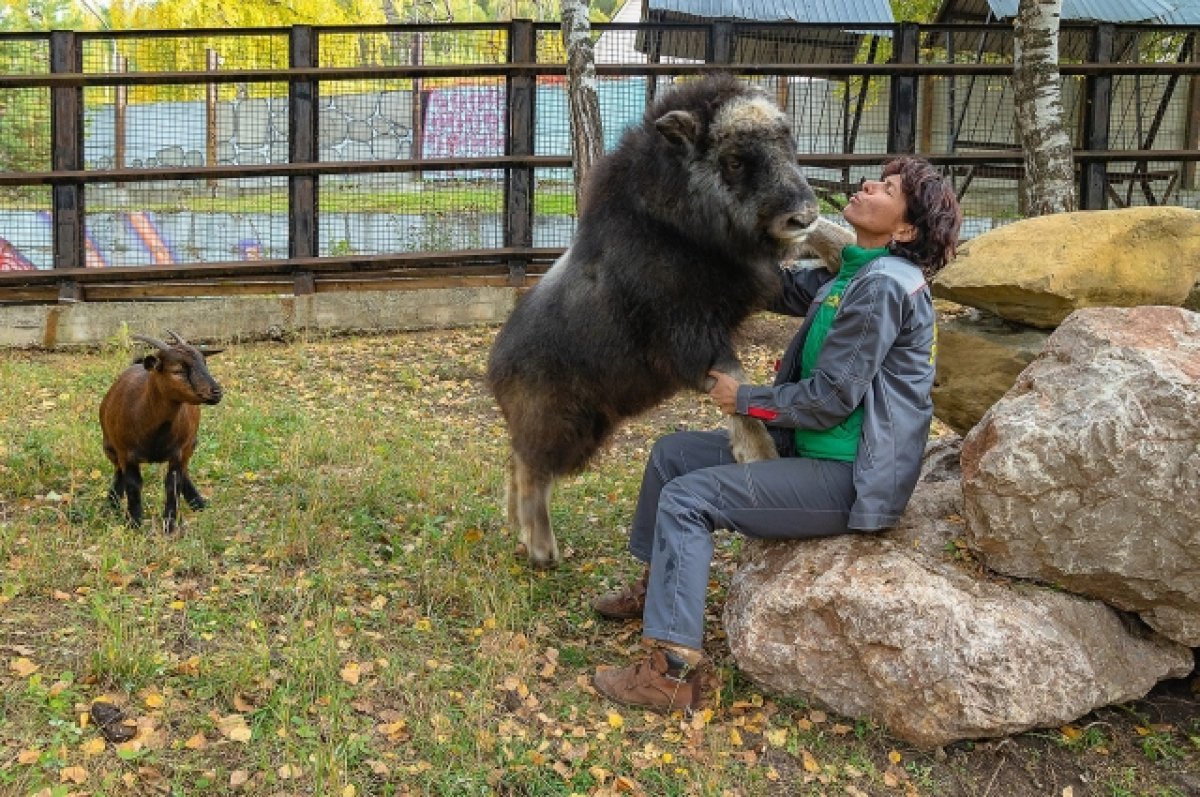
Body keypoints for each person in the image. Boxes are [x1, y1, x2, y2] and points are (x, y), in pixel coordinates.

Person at [591, 156, 963, 714]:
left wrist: (745, 399)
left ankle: (668, 673)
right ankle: (656, 597)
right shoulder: (855, 272)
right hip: (808, 451)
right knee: (673, 456)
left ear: (906, 229)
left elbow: (831, 399)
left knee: (689, 499)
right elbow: (772, 288)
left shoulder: (884, 287)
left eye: (887, 189)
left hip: (850, 477)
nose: (868, 185)